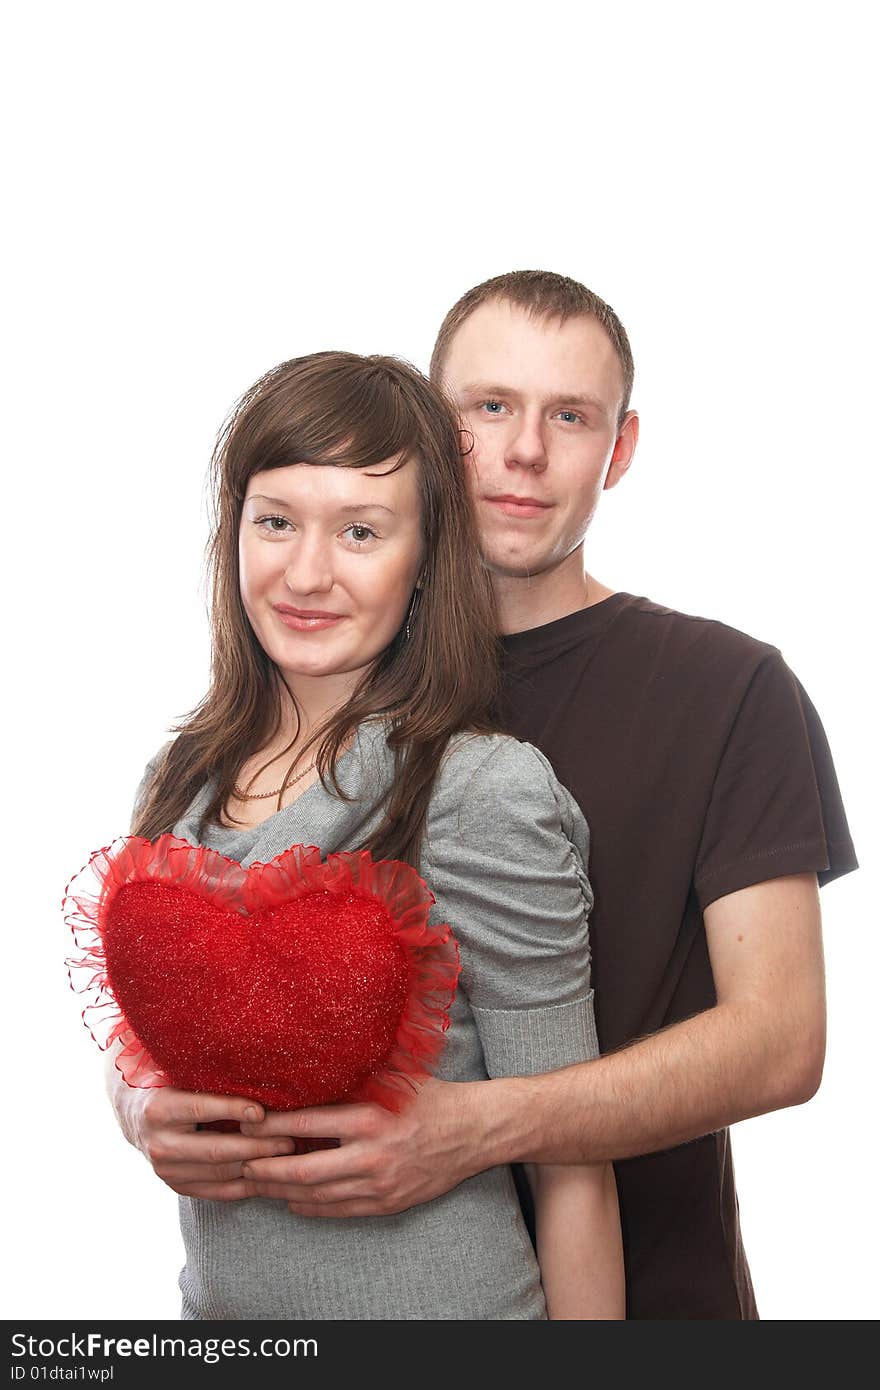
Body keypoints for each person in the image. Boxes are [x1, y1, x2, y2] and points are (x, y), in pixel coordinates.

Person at [219, 273, 857, 1320]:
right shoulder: (321, 661)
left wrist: (479, 1123)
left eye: (570, 415)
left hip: (660, 1303)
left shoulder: (727, 688)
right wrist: (138, 1102)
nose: (524, 450)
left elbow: (781, 1039)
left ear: (622, 447)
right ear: (431, 425)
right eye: (489, 407)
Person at [107, 349, 624, 1320]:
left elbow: (570, 1165)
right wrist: (135, 1109)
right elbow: (146, 1037)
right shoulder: (180, 779)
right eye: (275, 522)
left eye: (358, 530)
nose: (307, 573)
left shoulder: (477, 790)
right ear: (233, 530)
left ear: (426, 556)